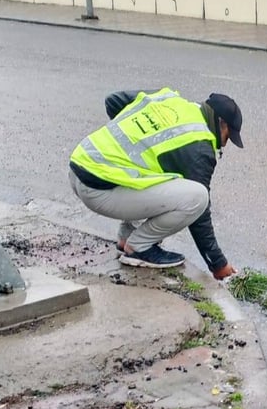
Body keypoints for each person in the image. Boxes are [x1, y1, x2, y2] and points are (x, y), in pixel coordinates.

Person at [69, 88, 241, 279]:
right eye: (228, 136)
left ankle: (126, 237)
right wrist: (218, 264)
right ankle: (139, 248)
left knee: (159, 175)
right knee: (198, 197)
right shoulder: (200, 146)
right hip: (97, 190)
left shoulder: (169, 99)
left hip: (79, 166)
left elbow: (114, 100)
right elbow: (199, 215)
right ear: (221, 123)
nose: (224, 144)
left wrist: (137, 141)